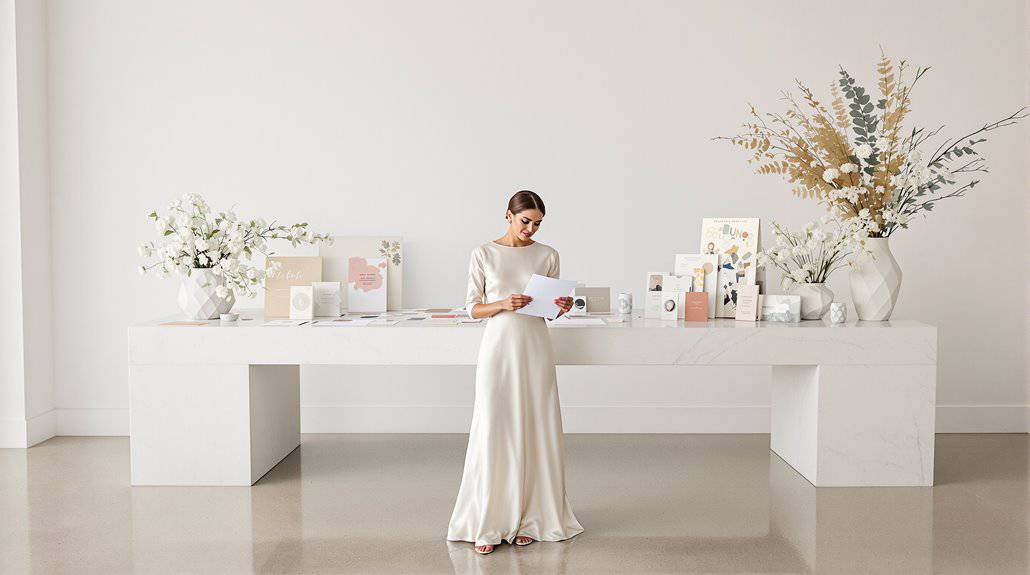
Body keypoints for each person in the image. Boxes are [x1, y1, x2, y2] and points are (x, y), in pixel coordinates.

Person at [446, 190, 585, 555]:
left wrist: (562, 307)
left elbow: (549, 313)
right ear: (508, 215)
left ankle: (531, 518)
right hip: (498, 347)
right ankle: (490, 520)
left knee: (535, 426)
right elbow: (471, 308)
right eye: (525, 221)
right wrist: (503, 304)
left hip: (535, 346)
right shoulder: (484, 253)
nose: (530, 228)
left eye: (537, 223)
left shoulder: (547, 254)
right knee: (496, 426)